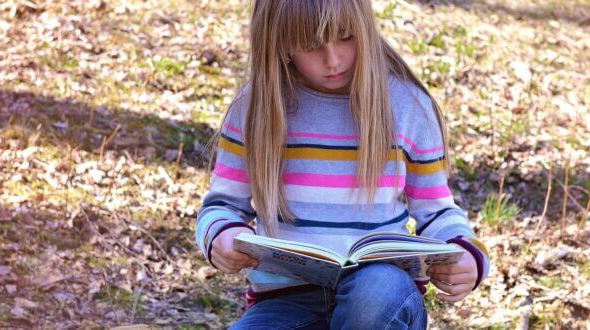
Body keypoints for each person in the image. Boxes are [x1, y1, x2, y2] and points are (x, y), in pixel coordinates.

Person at [196, 0, 490, 328]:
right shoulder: (256, 107)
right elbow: (221, 206)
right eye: (310, 46)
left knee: (374, 294)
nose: (333, 59)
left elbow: (436, 211)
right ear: (279, 43)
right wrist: (223, 236)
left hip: (382, 293)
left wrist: (465, 254)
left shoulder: (407, 107)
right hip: (286, 301)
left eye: (346, 37)